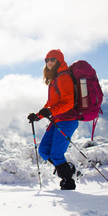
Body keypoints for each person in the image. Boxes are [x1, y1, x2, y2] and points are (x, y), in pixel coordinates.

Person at [28, 49, 79, 190]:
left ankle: (68, 181)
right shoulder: (54, 79)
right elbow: (50, 104)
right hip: (57, 120)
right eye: (47, 60)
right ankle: (68, 170)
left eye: (52, 59)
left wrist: (50, 111)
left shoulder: (63, 77)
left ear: (59, 61)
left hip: (67, 120)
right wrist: (37, 116)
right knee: (44, 150)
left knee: (56, 153)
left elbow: (68, 102)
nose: (49, 62)